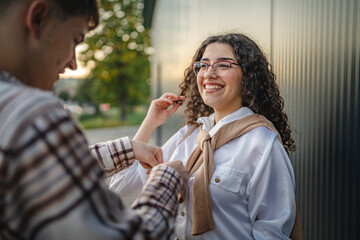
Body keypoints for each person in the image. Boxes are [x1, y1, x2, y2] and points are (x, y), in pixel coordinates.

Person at [0, 0, 189, 239]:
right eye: (75, 40)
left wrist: (127, 148)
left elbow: (43, 167)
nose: (73, 63)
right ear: (37, 17)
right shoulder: (31, 114)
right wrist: (168, 180)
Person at [109, 33, 298, 239]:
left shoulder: (262, 144)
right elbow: (122, 186)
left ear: (248, 75)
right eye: (203, 65)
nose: (209, 74)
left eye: (223, 65)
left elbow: (271, 234)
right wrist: (150, 122)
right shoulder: (189, 136)